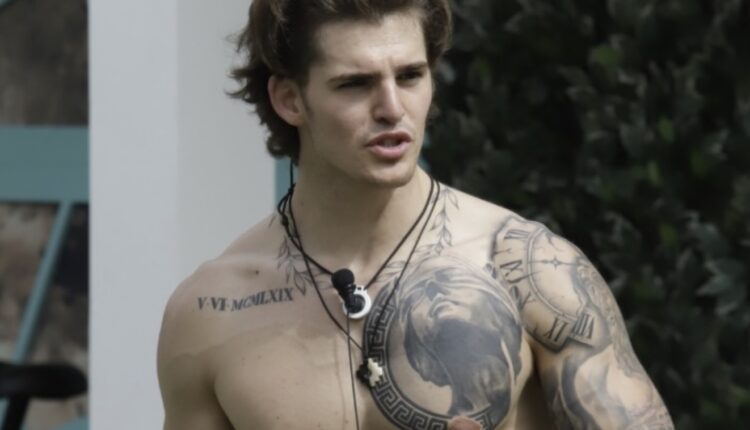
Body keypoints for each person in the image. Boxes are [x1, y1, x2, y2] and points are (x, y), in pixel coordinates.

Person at [157, 1, 675, 429]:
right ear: (289, 99)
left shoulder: (532, 273)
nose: (392, 108)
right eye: (355, 84)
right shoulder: (211, 313)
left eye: (410, 76)